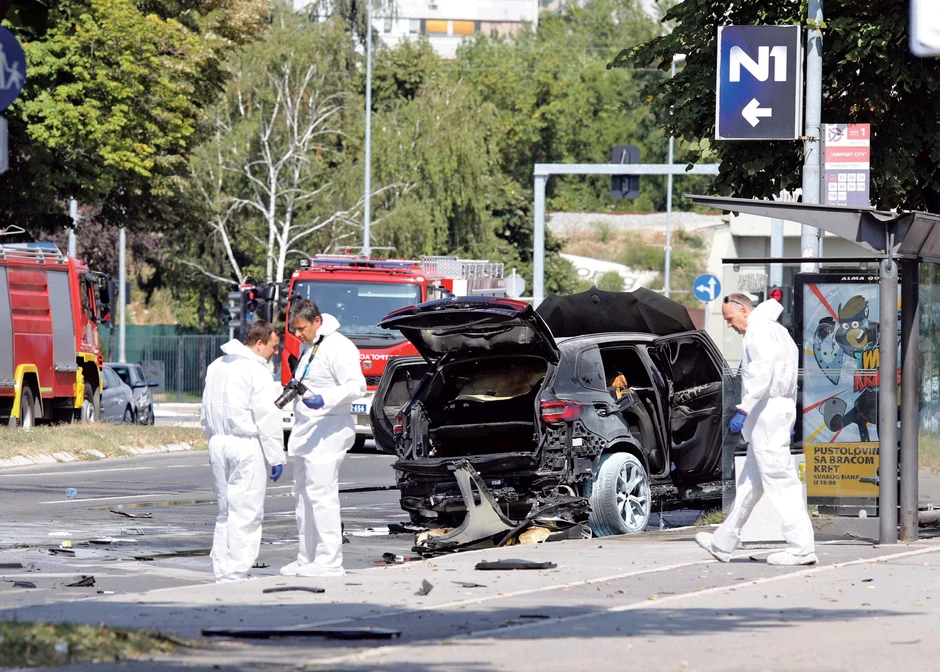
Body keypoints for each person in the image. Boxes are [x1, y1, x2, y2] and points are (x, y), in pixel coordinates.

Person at [695, 293, 817, 566]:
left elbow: (762, 372)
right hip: (776, 409)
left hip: (766, 410)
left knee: (781, 480)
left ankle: (801, 548)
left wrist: (745, 407)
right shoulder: (778, 330)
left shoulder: (757, 330)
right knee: (750, 483)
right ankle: (723, 542)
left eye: (729, 319)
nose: (729, 325)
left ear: (743, 311)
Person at [280, 299, 366, 578]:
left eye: (302, 329)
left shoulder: (339, 346)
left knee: (322, 496)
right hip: (308, 431)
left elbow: (357, 385)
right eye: (294, 330)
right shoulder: (311, 345)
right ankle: (307, 558)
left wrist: (325, 399)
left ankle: (329, 561)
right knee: (303, 496)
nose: (298, 335)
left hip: (328, 430)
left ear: (316, 321)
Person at [201, 321, 285, 583]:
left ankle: (222, 568)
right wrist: (276, 456)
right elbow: (267, 417)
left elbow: (206, 409)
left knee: (225, 510)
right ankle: (236, 572)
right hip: (246, 444)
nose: (275, 353)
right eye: (273, 347)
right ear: (259, 344)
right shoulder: (256, 370)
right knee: (246, 511)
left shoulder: (217, 366)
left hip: (218, 443)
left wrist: (213, 436)